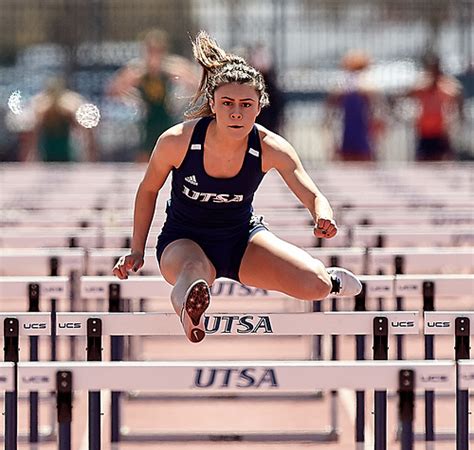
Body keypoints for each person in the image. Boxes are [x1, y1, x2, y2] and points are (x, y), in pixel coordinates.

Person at [113, 31, 362, 343]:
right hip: (183, 240)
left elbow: (310, 192)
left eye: (246, 104)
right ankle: (191, 311)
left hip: (241, 240)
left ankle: (331, 280)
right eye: (227, 103)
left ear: (259, 107)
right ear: (213, 105)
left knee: (316, 286)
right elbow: (148, 189)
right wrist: (137, 249)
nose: (236, 112)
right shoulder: (178, 141)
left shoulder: (271, 146)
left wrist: (323, 216)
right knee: (193, 270)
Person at [108, 28, 198, 162]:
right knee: (145, 155)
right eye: (151, 50)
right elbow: (114, 90)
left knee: (172, 152)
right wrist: (133, 98)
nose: (154, 54)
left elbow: (196, 84)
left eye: (158, 50)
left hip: (167, 116)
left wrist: (179, 96)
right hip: (147, 119)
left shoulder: (172, 67)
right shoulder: (138, 70)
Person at [325, 51, 383, 161]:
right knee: (352, 155)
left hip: (362, 125)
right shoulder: (345, 82)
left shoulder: (363, 81)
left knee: (361, 155)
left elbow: (374, 101)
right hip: (349, 125)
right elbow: (332, 100)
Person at [405, 53, 464, 161]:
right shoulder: (422, 85)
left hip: (440, 131)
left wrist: (458, 117)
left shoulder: (446, 86)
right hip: (424, 131)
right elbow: (408, 93)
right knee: (423, 159)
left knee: (442, 159)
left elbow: (457, 97)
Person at [28, 77, 96, 162]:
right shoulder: (41, 105)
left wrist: (90, 152)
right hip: (48, 151)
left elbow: (86, 129)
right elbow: (33, 132)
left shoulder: (69, 104)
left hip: (66, 152)